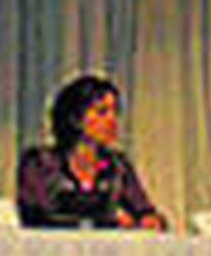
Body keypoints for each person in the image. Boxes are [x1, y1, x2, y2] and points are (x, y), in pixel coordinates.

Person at [17, 74, 165, 230]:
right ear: (75, 118)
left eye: (115, 112)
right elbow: (35, 218)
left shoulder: (118, 167)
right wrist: (108, 220)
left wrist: (149, 220)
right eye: (102, 112)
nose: (112, 120)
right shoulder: (40, 163)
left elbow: (145, 211)